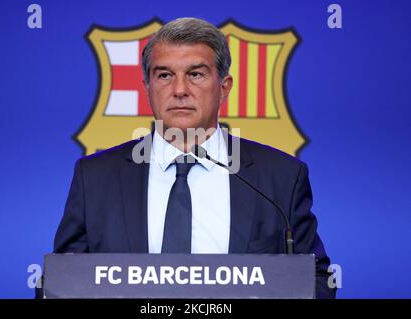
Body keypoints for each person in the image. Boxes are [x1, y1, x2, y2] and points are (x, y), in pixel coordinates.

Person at [53, 17, 336, 298]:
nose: (179, 90)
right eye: (164, 75)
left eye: (196, 74)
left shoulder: (280, 177)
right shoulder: (94, 177)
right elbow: (61, 282)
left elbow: (316, 281)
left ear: (224, 86)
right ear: (147, 87)